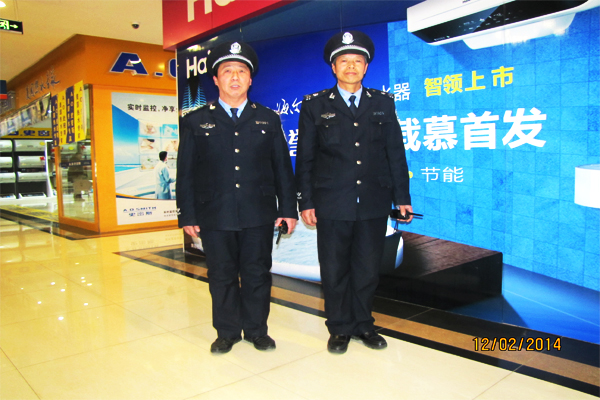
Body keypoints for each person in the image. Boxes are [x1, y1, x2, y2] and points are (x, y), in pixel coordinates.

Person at [295, 31, 413, 354]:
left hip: (374, 201)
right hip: (332, 202)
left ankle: (363, 324)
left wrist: (402, 197)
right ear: (334, 67)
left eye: (357, 61)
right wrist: (305, 201)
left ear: (366, 66)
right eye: (344, 61)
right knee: (334, 269)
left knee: (367, 268)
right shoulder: (315, 105)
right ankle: (339, 328)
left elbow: (395, 153)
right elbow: (305, 158)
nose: (351, 67)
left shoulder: (383, 103)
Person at [176, 41, 298, 354]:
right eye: (227, 71)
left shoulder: (267, 119)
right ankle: (227, 332)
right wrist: (187, 214)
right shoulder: (195, 121)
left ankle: (257, 331)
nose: (234, 77)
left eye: (241, 71)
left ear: (250, 79)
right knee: (221, 275)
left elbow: (282, 169)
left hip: (258, 213)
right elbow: (185, 172)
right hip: (214, 214)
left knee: (257, 274)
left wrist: (288, 209)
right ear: (215, 80)